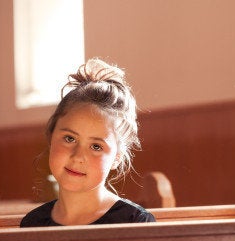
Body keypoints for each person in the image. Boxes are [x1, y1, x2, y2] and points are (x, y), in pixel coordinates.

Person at [20, 58, 155, 227]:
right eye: (70, 138)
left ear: (117, 158)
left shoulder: (135, 222)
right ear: (51, 137)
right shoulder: (33, 223)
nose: (78, 157)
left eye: (96, 146)